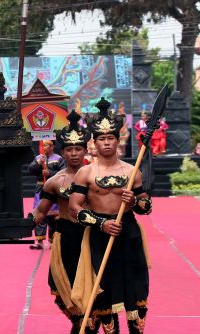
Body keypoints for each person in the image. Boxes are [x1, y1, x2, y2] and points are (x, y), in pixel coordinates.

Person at [69, 98, 152, 334]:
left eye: (111, 138)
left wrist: (135, 201)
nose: (106, 142)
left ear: (118, 140)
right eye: (102, 139)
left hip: (129, 232)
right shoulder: (86, 172)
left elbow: (146, 207)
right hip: (99, 234)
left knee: (136, 284)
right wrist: (101, 223)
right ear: (94, 143)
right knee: (103, 286)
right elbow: (75, 207)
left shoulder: (130, 171)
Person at [31, 111, 99, 333]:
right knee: (61, 290)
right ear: (63, 153)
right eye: (69, 149)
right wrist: (21, 224)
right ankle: (80, 322)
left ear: (85, 150)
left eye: (78, 149)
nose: (74, 153)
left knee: (96, 289)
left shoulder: (98, 176)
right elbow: (40, 212)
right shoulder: (54, 181)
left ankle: (86, 324)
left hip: (94, 237)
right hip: (66, 239)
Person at [28, 140, 65, 249]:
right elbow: (30, 170)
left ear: (52, 146)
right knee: (39, 215)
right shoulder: (39, 158)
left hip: (53, 189)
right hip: (40, 188)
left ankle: (53, 241)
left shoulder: (58, 158)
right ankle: (39, 241)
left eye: (46, 145)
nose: (44, 147)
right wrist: (38, 164)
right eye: (42, 145)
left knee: (53, 216)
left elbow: (63, 173)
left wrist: (50, 173)